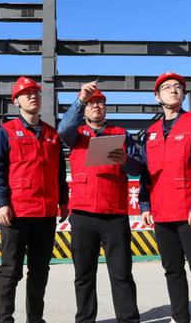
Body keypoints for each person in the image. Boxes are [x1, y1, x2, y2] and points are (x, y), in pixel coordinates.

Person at [139, 72, 191, 323]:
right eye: (166, 87)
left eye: (177, 87)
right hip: (162, 212)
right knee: (172, 269)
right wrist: (145, 204)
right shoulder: (151, 132)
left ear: (183, 94)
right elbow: (146, 171)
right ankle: (179, 317)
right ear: (157, 96)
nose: (173, 90)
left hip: (190, 211)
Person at [58, 80, 141, 323]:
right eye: (91, 103)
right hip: (83, 214)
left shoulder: (121, 134)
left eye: (101, 103)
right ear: (84, 108)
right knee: (84, 275)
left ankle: (128, 319)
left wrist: (125, 160)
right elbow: (63, 129)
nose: (96, 106)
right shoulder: (76, 134)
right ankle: (85, 319)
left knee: (122, 273)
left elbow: (137, 168)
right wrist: (80, 99)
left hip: (114, 213)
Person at [0, 76, 69, 323]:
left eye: (36, 93)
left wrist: (63, 201)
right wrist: (2, 203)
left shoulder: (52, 135)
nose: (33, 97)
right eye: (27, 94)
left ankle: (36, 319)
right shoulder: (6, 132)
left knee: (39, 271)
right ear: (17, 101)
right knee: (10, 270)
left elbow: (59, 172)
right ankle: (5, 320)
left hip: (45, 214)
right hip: (17, 213)